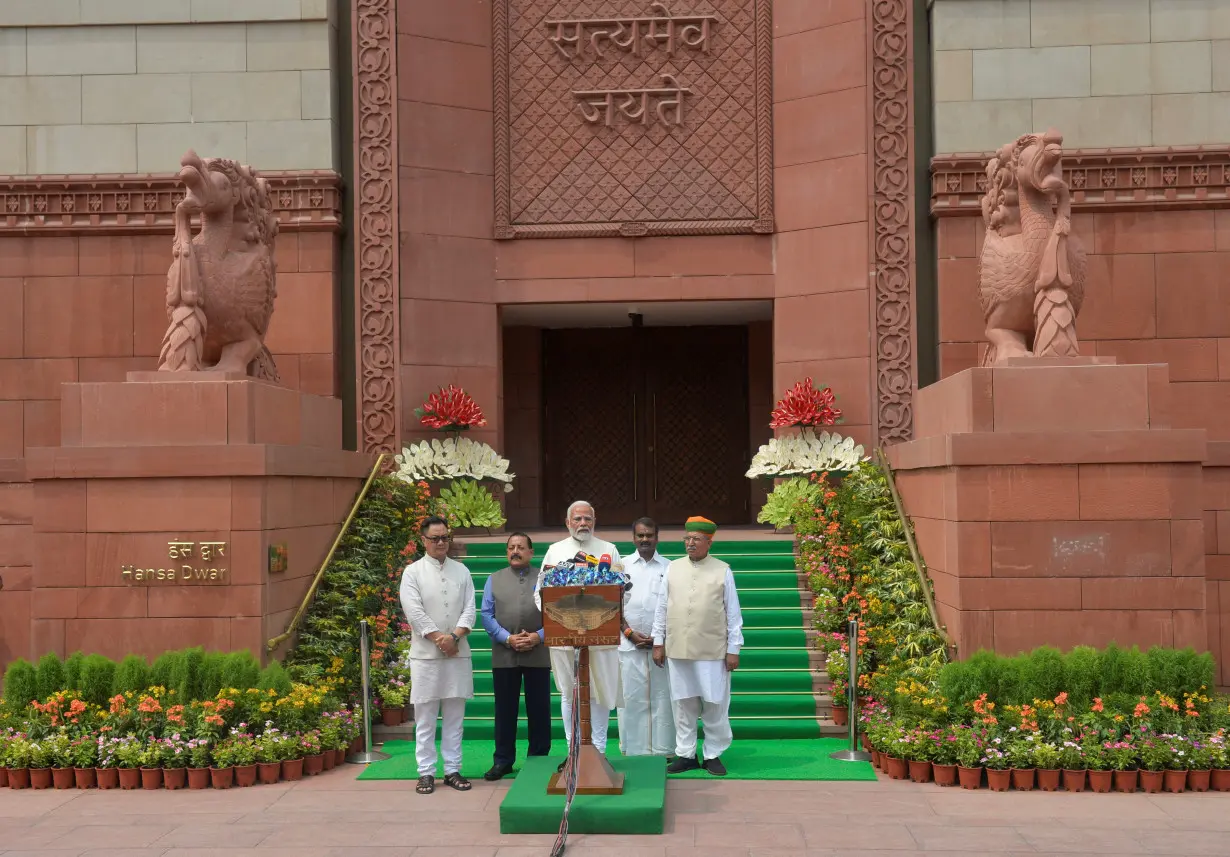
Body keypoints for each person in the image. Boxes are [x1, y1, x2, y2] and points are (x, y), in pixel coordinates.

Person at [652, 516, 743, 777]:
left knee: (714, 703)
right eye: (687, 539)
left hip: (712, 650)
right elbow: (661, 607)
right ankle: (686, 754)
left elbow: (733, 613)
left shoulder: (722, 570)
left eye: (696, 539)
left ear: (709, 542)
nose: (690, 544)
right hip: (678, 648)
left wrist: (733, 649)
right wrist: (659, 642)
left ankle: (712, 754)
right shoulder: (672, 568)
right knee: (683, 703)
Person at [535, 500, 624, 763]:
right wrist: (562, 619)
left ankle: (598, 751)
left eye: (587, 519)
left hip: (601, 636)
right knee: (569, 691)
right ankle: (573, 751)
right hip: (565, 637)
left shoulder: (609, 550)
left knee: (600, 692)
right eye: (577, 519)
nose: (583, 524)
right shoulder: (555, 551)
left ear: (594, 522)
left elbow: (622, 592)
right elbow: (540, 595)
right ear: (568, 523)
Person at [399, 515, 476, 795]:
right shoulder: (413, 572)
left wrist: (454, 637)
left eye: (445, 537)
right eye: (435, 538)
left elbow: (470, 609)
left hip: (458, 652)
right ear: (424, 541)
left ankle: (453, 769)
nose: (441, 542)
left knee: (455, 716)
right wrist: (439, 639)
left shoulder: (462, 571)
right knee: (426, 716)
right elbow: (414, 611)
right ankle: (426, 772)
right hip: (425, 656)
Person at [479, 532, 552, 781]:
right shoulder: (494, 579)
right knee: (505, 709)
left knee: (539, 709)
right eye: (511, 547)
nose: (515, 551)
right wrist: (507, 638)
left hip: (538, 652)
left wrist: (538, 636)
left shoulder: (545, 579)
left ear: (532, 552)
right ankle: (503, 761)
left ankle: (539, 760)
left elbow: (555, 613)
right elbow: (486, 615)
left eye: (521, 547)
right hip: (505, 653)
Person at [617, 517, 675, 757]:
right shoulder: (621, 566)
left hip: (661, 645)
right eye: (640, 535)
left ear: (657, 537)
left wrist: (659, 638)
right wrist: (629, 633)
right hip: (627, 643)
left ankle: (664, 750)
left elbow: (674, 606)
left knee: (663, 699)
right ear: (633, 538)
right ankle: (633, 750)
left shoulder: (670, 567)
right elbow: (612, 605)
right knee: (631, 699)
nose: (644, 539)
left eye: (649, 535)